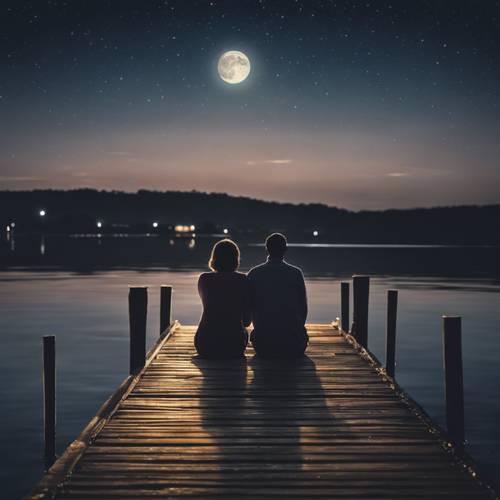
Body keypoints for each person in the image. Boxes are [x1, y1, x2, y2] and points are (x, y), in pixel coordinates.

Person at [247, 233, 308, 358]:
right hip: (293, 344)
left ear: (266, 249)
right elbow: (303, 310)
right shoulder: (296, 273)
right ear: (285, 250)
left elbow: (248, 309)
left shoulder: (254, 273)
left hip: (263, 345)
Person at [195, 239, 251, 358]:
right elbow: (246, 322)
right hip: (234, 346)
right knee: (244, 332)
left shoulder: (204, 279)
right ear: (236, 259)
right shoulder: (243, 280)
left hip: (205, 344)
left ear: (214, 258)